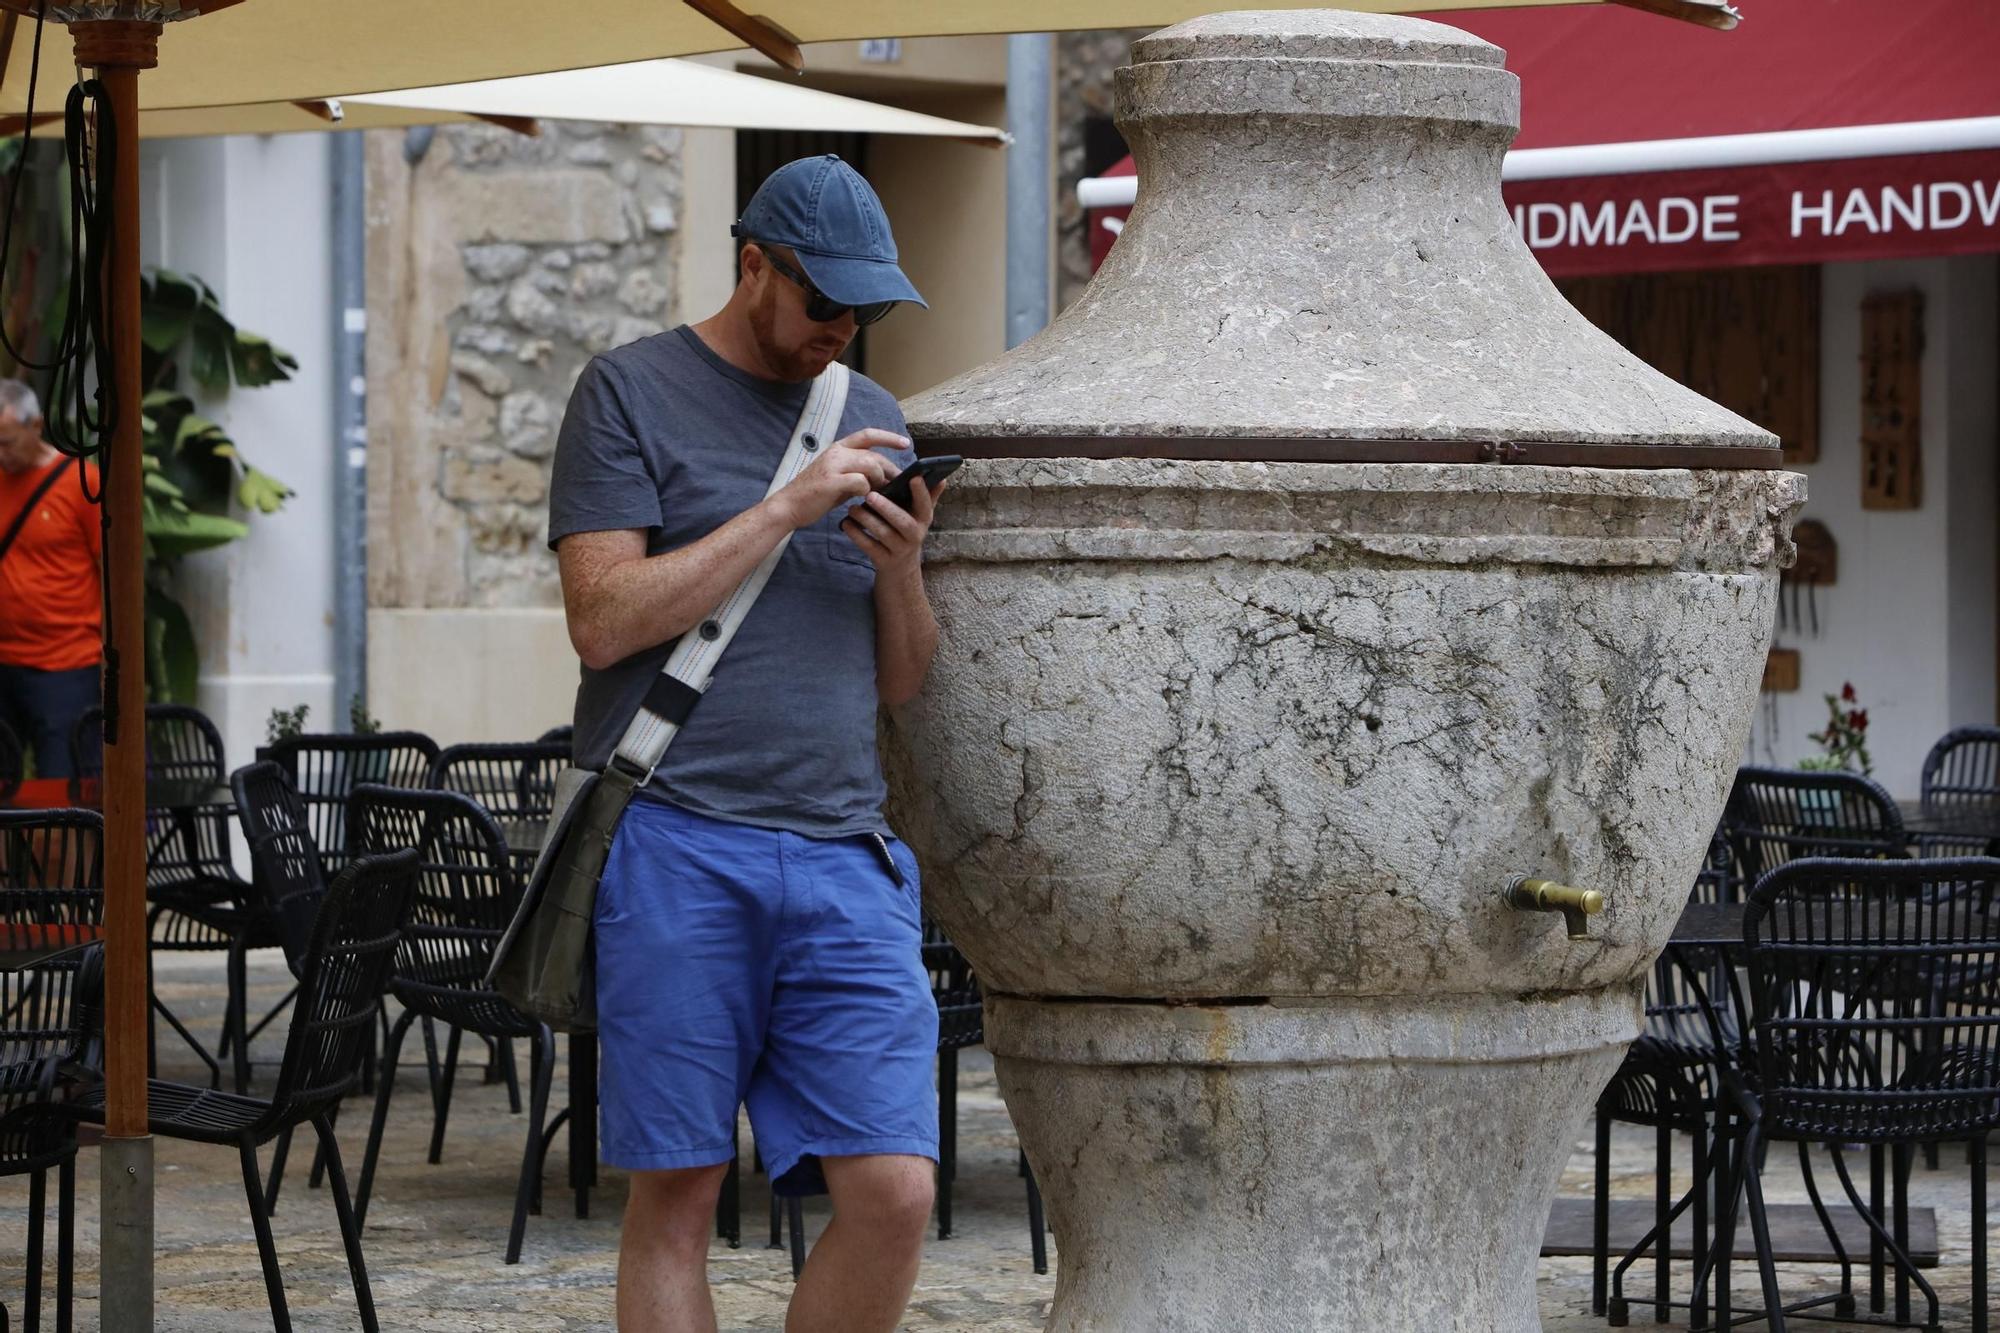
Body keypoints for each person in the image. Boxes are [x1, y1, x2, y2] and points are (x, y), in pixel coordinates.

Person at [548, 155, 945, 1332]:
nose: (844, 330)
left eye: (866, 310)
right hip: (676, 837)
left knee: (895, 1189)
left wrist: (903, 573)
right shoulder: (625, 393)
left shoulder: (872, 419)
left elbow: (904, 679)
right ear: (753, 265)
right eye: (824, 302)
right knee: (677, 1192)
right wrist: (781, 509)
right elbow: (601, 617)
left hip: (843, 851)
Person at [0, 379, 100, 779]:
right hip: (2, 660)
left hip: (65, 666)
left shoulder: (81, 483)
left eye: (7, 441)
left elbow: (113, 572)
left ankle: (56, 845)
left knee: (64, 793)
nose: (1, 454)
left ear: (36, 426)